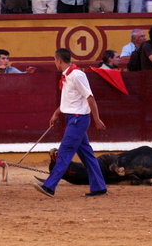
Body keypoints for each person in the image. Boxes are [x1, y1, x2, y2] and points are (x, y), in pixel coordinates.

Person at [34, 48, 107, 198]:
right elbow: (70, 101)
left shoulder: (77, 75)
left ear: (59, 60)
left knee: (65, 152)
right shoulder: (67, 76)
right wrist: (56, 113)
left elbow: (90, 98)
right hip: (73, 118)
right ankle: (99, 187)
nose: (55, 62)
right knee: (87, 155)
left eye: (54, 60)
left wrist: (96, 119)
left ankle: (49, 186)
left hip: (78, 119)